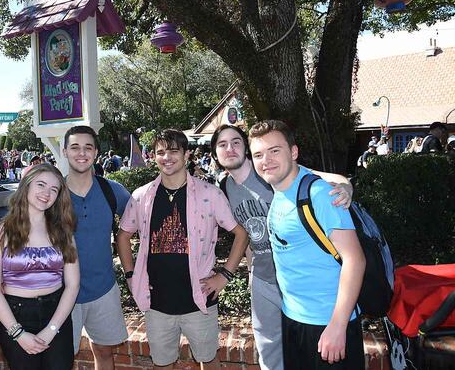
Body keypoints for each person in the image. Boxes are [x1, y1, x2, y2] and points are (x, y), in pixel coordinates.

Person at [210, 124, 353, 370]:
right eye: (222, 144)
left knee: (308, 349)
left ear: (246, 148)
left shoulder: (269, 172)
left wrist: (346, 189)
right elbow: (245, 232)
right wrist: (250, 271)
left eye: (235, 142)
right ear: (215, 153)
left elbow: (332, 179)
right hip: (262, 278)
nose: (230, 149)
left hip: (295, 279)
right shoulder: (226, 187)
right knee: (270, 349)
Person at [118, 129, 248, 369]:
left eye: (174, 151)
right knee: (163, 363)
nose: (167, 157)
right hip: (156, 302)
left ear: (187, 154)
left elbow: (240, 233)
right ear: (153, 157)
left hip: (199, 300)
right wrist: (130, 274)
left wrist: (225, 275)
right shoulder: (141, 196)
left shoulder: (210, 194)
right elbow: (123, 235)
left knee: (209, 361)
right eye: (160, 152)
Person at [248, 120, 365, 370]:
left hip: (327, 325)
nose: (266, 160)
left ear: (293, 152)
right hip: (293, 319)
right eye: (258, 154)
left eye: (274, 150)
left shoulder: (320, 194)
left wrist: (337, 325)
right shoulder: (279, 191)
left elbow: (355, 260)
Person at [0, 164, 80, 369]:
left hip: (57, 315)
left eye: (54, 189)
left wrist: (52, 329)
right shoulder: (0, 232)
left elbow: (72, 285)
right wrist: (17, 333)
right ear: (26, 186)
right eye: (41, 184)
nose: (46, 193)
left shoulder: (63, 232)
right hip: (15, 317)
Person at [63, 125, 131, 369]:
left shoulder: (112, 191)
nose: (81, 153)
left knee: (104, 352)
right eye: (75, 147)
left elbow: (138, 224)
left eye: (87, 147)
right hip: (60, 294)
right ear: (64, 151)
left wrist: (134, 272)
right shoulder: (52, 192)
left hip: (104, 288)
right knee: (60, 358)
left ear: (95, 152)